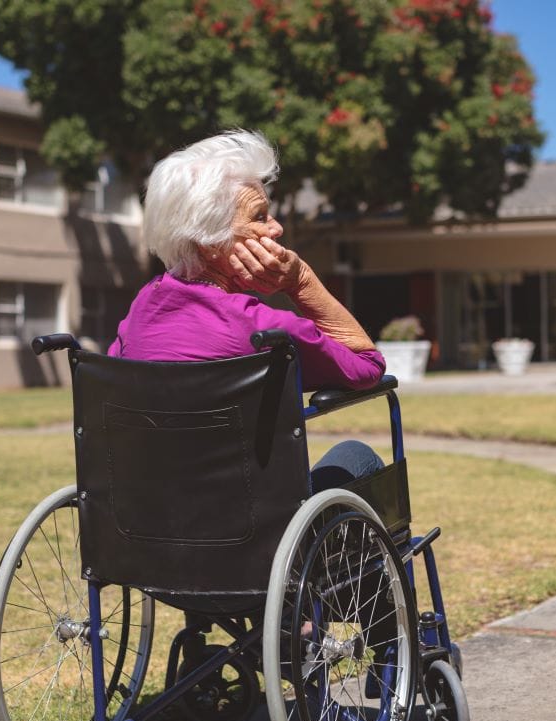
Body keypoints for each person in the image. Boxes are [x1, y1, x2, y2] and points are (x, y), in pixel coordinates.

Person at [108, 129, 386, 491]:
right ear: (209, 242)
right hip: (254, 525)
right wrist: (299, 280)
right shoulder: (263, 329)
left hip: (150, 516)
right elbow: (368, 365)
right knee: (357, 454)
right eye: (260, 216)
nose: (277, 227)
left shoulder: (139, 312)